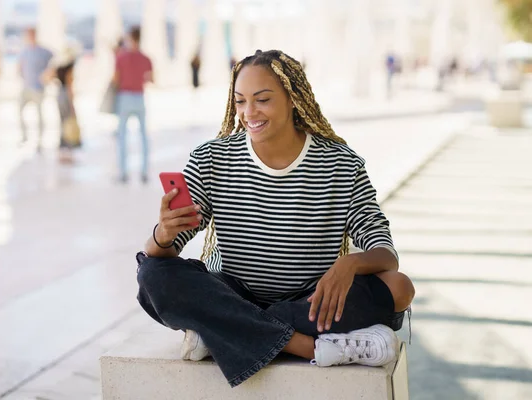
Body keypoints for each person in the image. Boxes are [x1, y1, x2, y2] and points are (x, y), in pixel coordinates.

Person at [136, 49, 415, 388]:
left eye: (262, 99)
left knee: (399, 288)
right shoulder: (212, 158)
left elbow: (386, 253)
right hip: (236, 294)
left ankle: (221, 333)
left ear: (293, 99)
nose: (248, 113)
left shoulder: (341, 165)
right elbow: (163, 255)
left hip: (312, 302)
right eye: (240, 101)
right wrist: (163, 234)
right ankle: (306, 345)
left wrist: (351, 264)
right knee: (153, 277)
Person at [112, 26, 153, 183]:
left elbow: (116, 79)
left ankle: (123, 173)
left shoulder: (121, 57)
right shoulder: (146, 58)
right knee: (143, 136)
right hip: (139, 97)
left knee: (122, 136)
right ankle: (143, 172)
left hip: (125, 97)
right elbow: (150, 79)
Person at [18, 28, 53, 152]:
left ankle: (40, 140)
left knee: (39, 115)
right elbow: (20, 66)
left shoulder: (44, 51)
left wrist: (47, 76)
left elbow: (54, 62)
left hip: (38, 88)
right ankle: (24, 136)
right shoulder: (24, 51)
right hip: (26, 87)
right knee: (20, 112)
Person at [45, 47, 81, 163]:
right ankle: (68, 148)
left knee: (62, 122)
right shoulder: (69, 66)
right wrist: (72, 104)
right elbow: (70, 85)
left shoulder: (59, 65)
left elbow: (46, 77)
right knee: (68, 121)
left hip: (59, 93)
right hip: (65, 94)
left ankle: (62, 149)